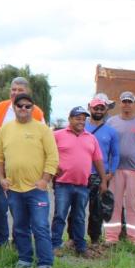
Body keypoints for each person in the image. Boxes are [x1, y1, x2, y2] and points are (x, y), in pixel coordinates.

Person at [0, 93, 59, 268]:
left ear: (33, 108)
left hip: (36, 189)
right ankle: (24, 259)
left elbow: (53, 157)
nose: (23, 109)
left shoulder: (42, 130)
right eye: (20, 105)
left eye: (27, 106)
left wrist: (45, 179)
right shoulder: (5, 130)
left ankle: (45, 265)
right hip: (14, 189)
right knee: (20, 226)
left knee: (40, 226)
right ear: (14, 107)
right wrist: (2, 178)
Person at [0, 77, 45, 247]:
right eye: (13, 89)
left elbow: (43, 142)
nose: (15, 93)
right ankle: (1, 242)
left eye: (20, 90)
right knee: (0, 206)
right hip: (0, 169)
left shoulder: (37, 112)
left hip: (25, 172)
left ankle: (19, 242)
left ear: (28, 92)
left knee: (19, 210)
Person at [52, 106, 107, 257]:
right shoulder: (57, 135)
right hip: (63, 184)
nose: (81, 121)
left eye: (83, 119)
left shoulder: (91, 138)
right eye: (78, 118)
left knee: (79, 217)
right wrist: (52, 167)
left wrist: (103, 180)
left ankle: (80, 247)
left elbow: (98, 160)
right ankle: (55, 245)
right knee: (60, 216)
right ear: (70, 119)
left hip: (82, 185)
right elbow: (46, 153)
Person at [105, 91, 135, 245]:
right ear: (120, 103)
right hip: (115, 170)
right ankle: (111, 236)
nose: (127, 104)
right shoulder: (111, 122)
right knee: (114, 203)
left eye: (129, 102)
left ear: (134, 104)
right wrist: (106, 169)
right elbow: (106, 145)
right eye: (124, 101)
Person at [84, 93, 119, 245]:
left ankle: (95, 239)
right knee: (77, 208)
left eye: (101, 108)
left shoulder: (111, 132)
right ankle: (74, 238)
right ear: (89, 107)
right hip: (81, 174)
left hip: (100, 175)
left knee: (96, 210)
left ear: (106, 110)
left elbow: (115, 154)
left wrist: (111, 172)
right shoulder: (81, 126)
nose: (98, 111)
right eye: (96, 108)